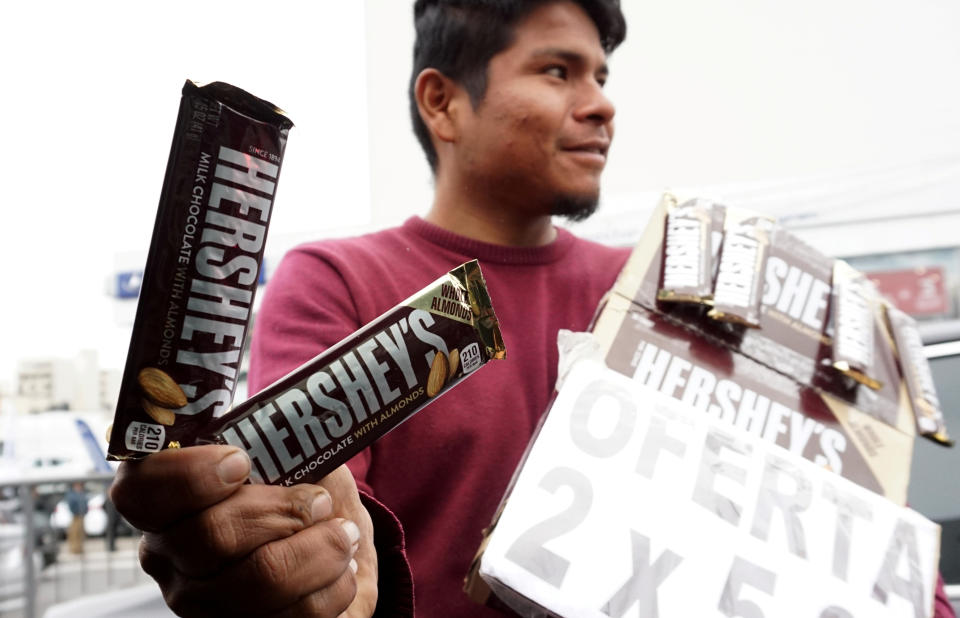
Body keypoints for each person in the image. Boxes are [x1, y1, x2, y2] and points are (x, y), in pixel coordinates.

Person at [110, 1, 957, 616]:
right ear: (442, 101)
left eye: (601, 75)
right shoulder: (337, 277)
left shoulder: (656, 290)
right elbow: (310, 533)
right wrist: (300, 566)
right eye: (557, 70)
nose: (601, 102)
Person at [65, 482, 88, 555]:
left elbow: (85, 504)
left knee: (81, 533)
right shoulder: (72, 495)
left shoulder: (81, 494)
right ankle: (74, 549)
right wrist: (77, 512)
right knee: (74, 533)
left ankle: (79, 548)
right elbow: (71, 505)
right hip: (76, 516)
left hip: (81, 515)